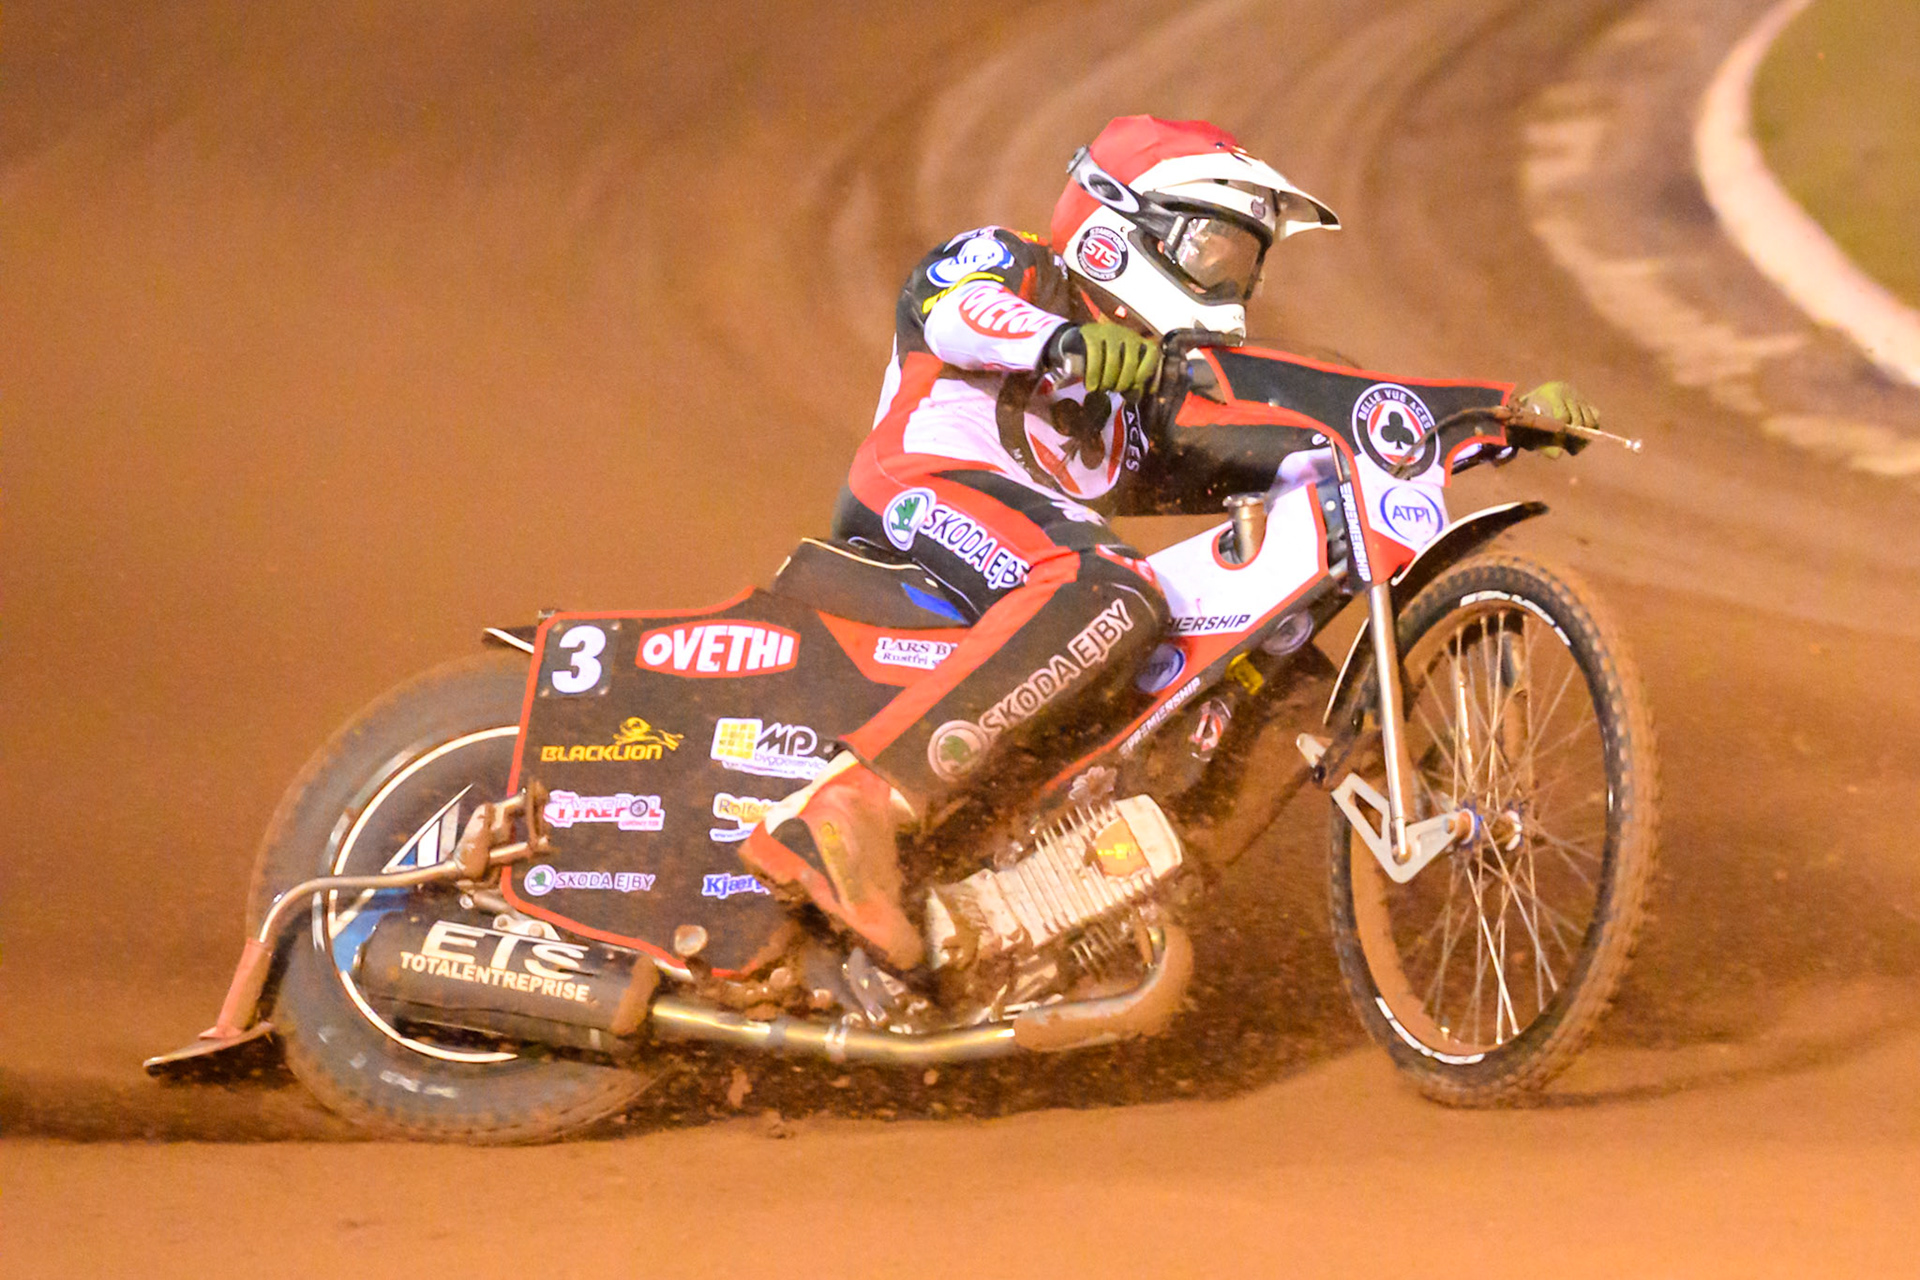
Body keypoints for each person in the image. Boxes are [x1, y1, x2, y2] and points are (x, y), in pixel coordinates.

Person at [740, 115, 1596, 975]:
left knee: (1289, 702)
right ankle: (846, 808)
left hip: (1033, 574)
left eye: (1245, 260)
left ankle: (1069, 922)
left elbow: (1311, 400)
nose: (1233, 279)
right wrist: (1061, 341)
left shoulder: (1150, 397)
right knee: (1111, 588)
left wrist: (1495, 412)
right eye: (1215, 248)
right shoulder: (1021, 263)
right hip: (917, 492)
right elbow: (955, 311)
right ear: (1121, 227)